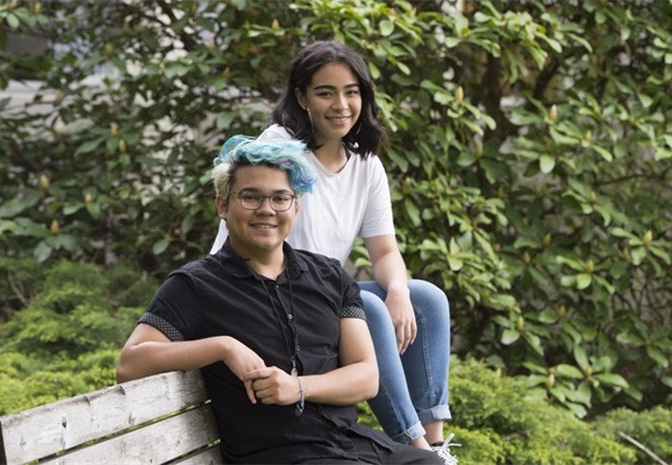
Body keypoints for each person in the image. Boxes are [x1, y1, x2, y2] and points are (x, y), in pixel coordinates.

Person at [117, 136, 444, 464]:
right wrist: (223, 347)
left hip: (355, 446)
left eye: (280, 198)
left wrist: (297, 387)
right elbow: (130, 363)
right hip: (281, 456)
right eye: (250, 197)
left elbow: (366, 377)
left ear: (296, 207)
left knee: (430, 462)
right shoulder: (196, 285)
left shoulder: (329, 276)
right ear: (222, 205)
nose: (266, 210)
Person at [210, 41, 458, 464]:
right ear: (302, 98)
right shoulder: (281, 146)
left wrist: (397, 288)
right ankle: (414, 445)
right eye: (325, 92)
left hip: (323, 291)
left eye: (352, 91)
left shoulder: (365, 164)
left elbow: (384, 251)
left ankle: (436, 444)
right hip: (267, 290)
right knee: (368, 308)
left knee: (424, 298)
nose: (341, 104)